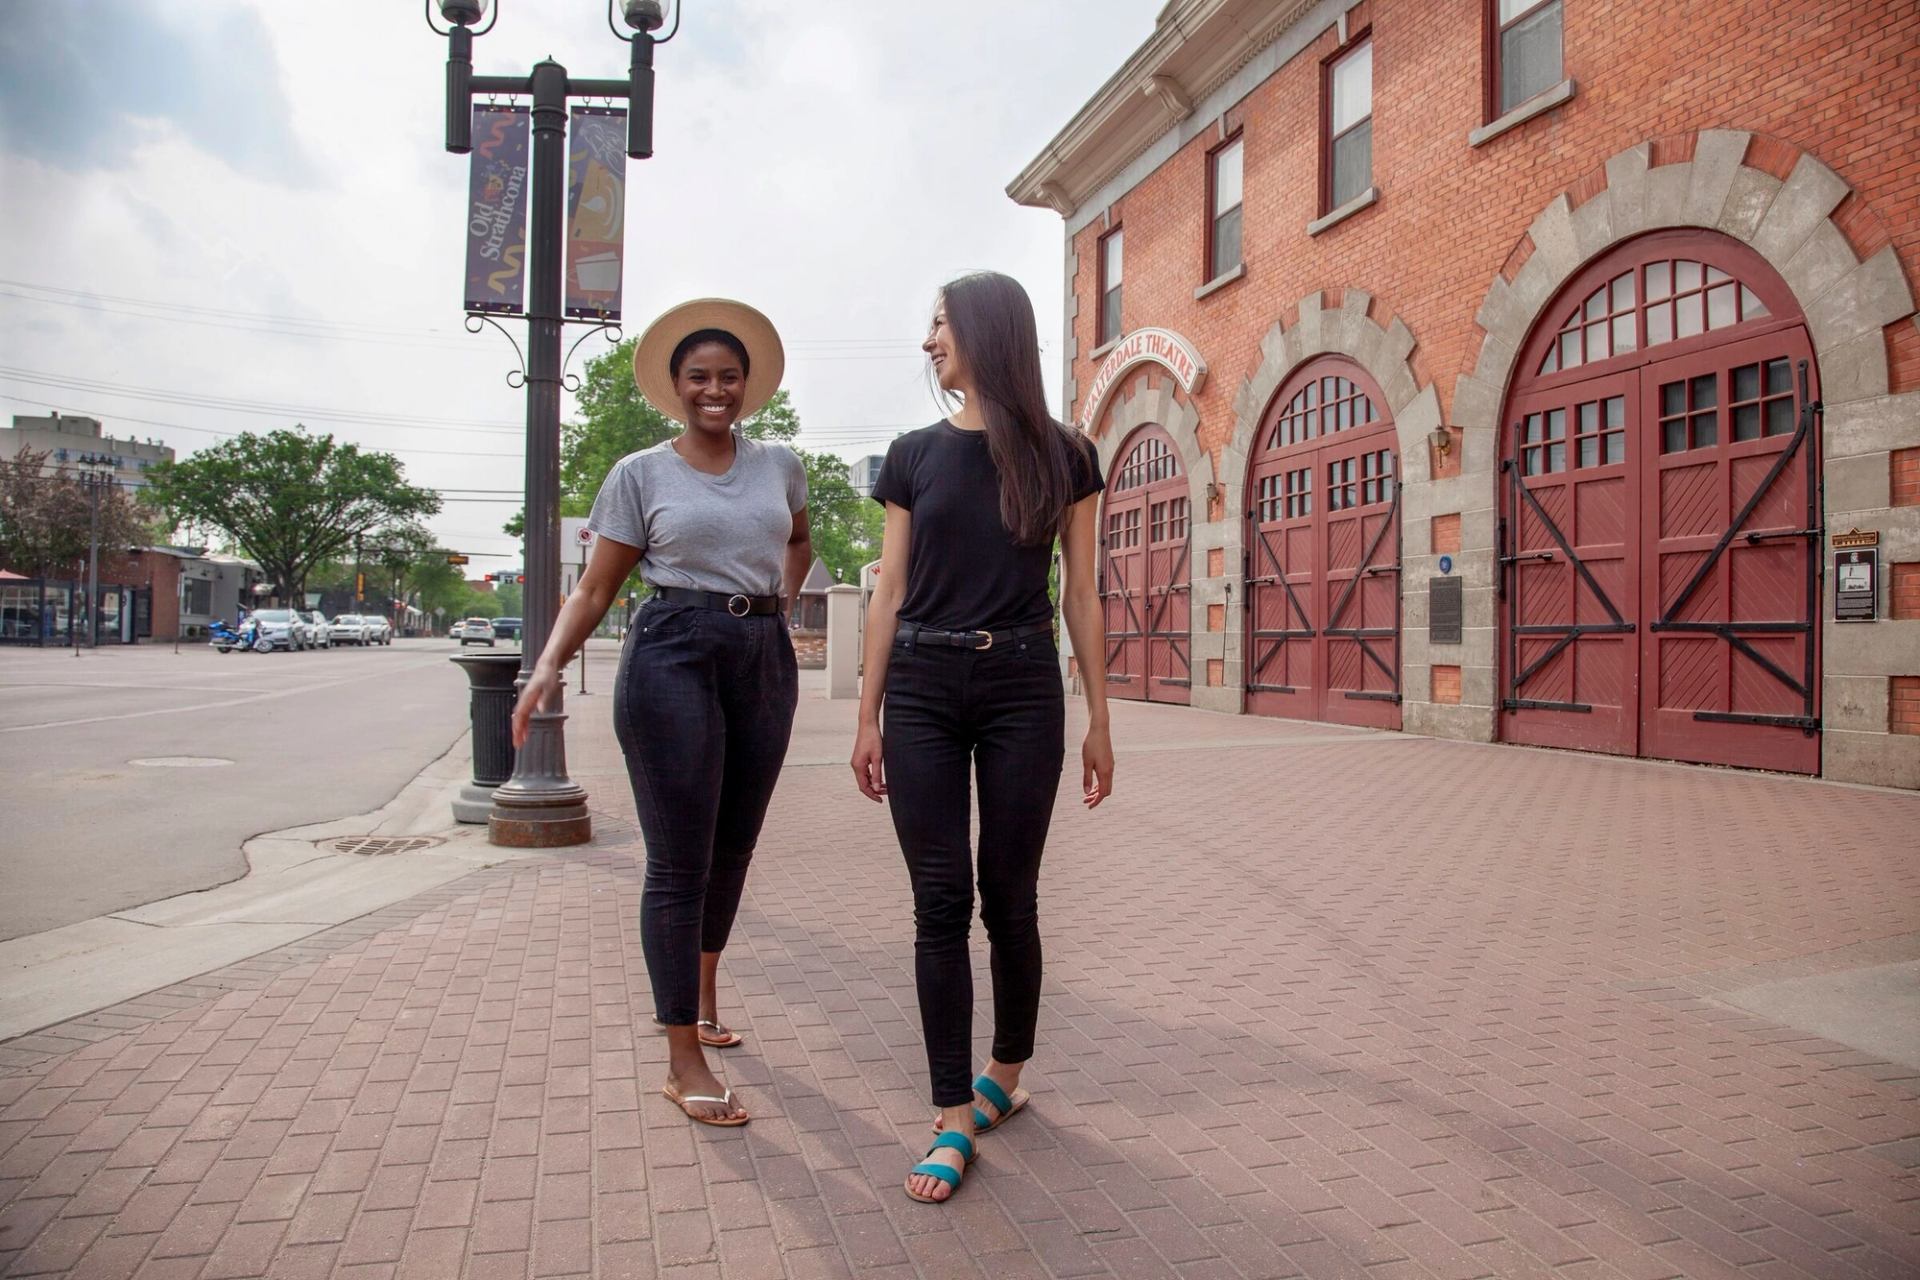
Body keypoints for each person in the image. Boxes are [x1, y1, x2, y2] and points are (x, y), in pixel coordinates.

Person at [513, 299, 810, 1127]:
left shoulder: (781, 463)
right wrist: (546, 667)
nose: (714, 390)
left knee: (735, 845)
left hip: (762, 656)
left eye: (727, 377)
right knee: (680, 862)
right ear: (675, 388)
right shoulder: (640, 474)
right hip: (673, 649)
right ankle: (681, 1057)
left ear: (747, 387)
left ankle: (705, 1004)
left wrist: (780, 599)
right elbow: (596, 587)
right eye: (698, 378)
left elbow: (799, 538)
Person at [850, 270, 1113, 1202]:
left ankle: (1005, 1074)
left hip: (1022, 686)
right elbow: (886, 590)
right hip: (921, 685)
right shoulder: (912, 456)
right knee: (937, 900)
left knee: (1011, 894)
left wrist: (1100, 721)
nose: (929, 342)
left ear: (987, 335)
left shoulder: (1068, 454)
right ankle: (952, 1114)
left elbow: (1081, 592)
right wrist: (866, 714)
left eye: (940, 325)